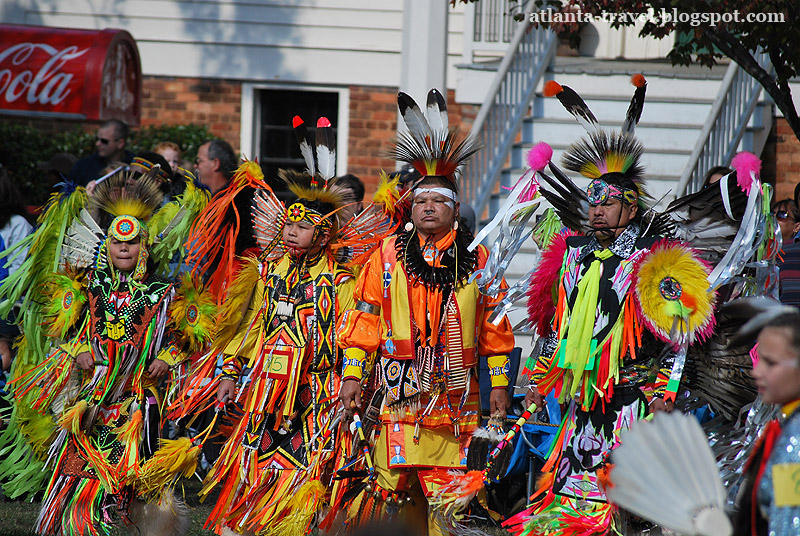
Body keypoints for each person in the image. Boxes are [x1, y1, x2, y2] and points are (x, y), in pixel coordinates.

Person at [508, 77, 716, 535]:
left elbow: (681, 335)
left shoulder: (654, 262)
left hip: (631, 402)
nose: (597, 210)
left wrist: (665, 391)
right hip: (581, 402)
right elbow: (557, 331)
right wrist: (540, 380)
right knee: (570, 504)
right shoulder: (572, 255)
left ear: (632, 207)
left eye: (609, 202)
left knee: (623, 507)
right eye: (592, 202)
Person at [336, 89, 514, 535]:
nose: (427, 207)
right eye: (419, 201)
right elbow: (366, 318)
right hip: (399, 391)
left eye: (437, 201)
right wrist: (353, 376)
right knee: (391, 485)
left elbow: (495, 329)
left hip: (457, 396)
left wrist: (498, 385)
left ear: (455, 210)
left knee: (451, 490)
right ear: (410, 209)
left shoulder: (479, 259)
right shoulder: (388, 255)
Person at [172, 118, 358, 536]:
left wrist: (351, 380)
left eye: (305, 225)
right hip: (264, 389)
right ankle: (247, 522)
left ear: (325, 233)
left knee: (308, 467)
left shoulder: (342, 282)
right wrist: (230, 373)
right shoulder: (268, 272)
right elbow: (250, 326)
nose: (293, 231)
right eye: (289, 224)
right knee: (256, 460)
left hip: (317, 390)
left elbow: (351, 337)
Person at [13, 170, 200, 535]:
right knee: (78, 470)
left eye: (131, 244)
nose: (124, 249)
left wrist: (167, 358)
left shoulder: (163, 292)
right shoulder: (91, 288)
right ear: (107, 247)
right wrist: (81, 350)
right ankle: (73, 525)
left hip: (137, 401)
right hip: (93, 397)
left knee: (140, 473)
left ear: (144, 247)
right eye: (117, 243)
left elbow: (184, 337)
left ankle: (145, 527)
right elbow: (68, 330)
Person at [735, 310, 800, 536]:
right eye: (758, 358)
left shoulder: (795, 439)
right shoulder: (786, 425)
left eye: (770, 363)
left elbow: (788, 527)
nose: (756, 371)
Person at [67, 119, 134, 186]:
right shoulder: (83, 166)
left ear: (120, 143)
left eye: (104, 141)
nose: (97, 143)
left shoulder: (135, 166)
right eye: (97, 139)